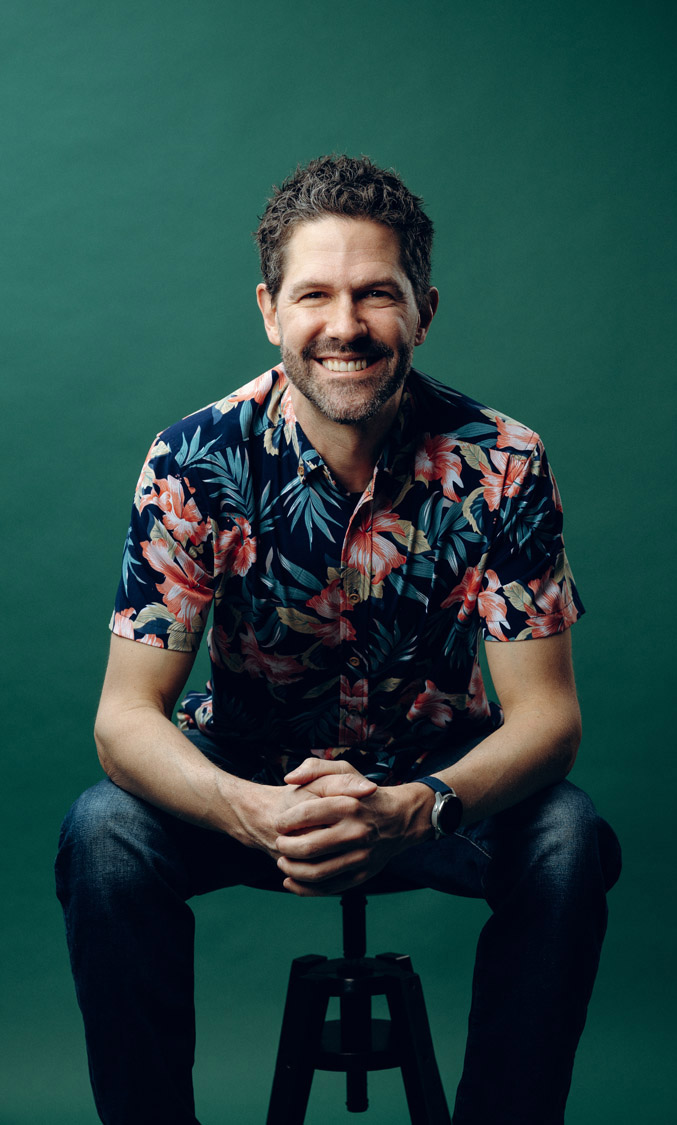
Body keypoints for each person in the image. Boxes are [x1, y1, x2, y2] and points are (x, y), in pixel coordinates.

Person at [56, 154, 621, 1125]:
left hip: (439, 783)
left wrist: (412, 809)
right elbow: (123, 719)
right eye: (314, 294)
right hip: (246, 773)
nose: (345, 325)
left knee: (568, 838)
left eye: (376, 294)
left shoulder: (502, 462)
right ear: (270, 311)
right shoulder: (193, 461)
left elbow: (548, 719)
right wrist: (252, 812)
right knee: (102, 833)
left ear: (423, 310)